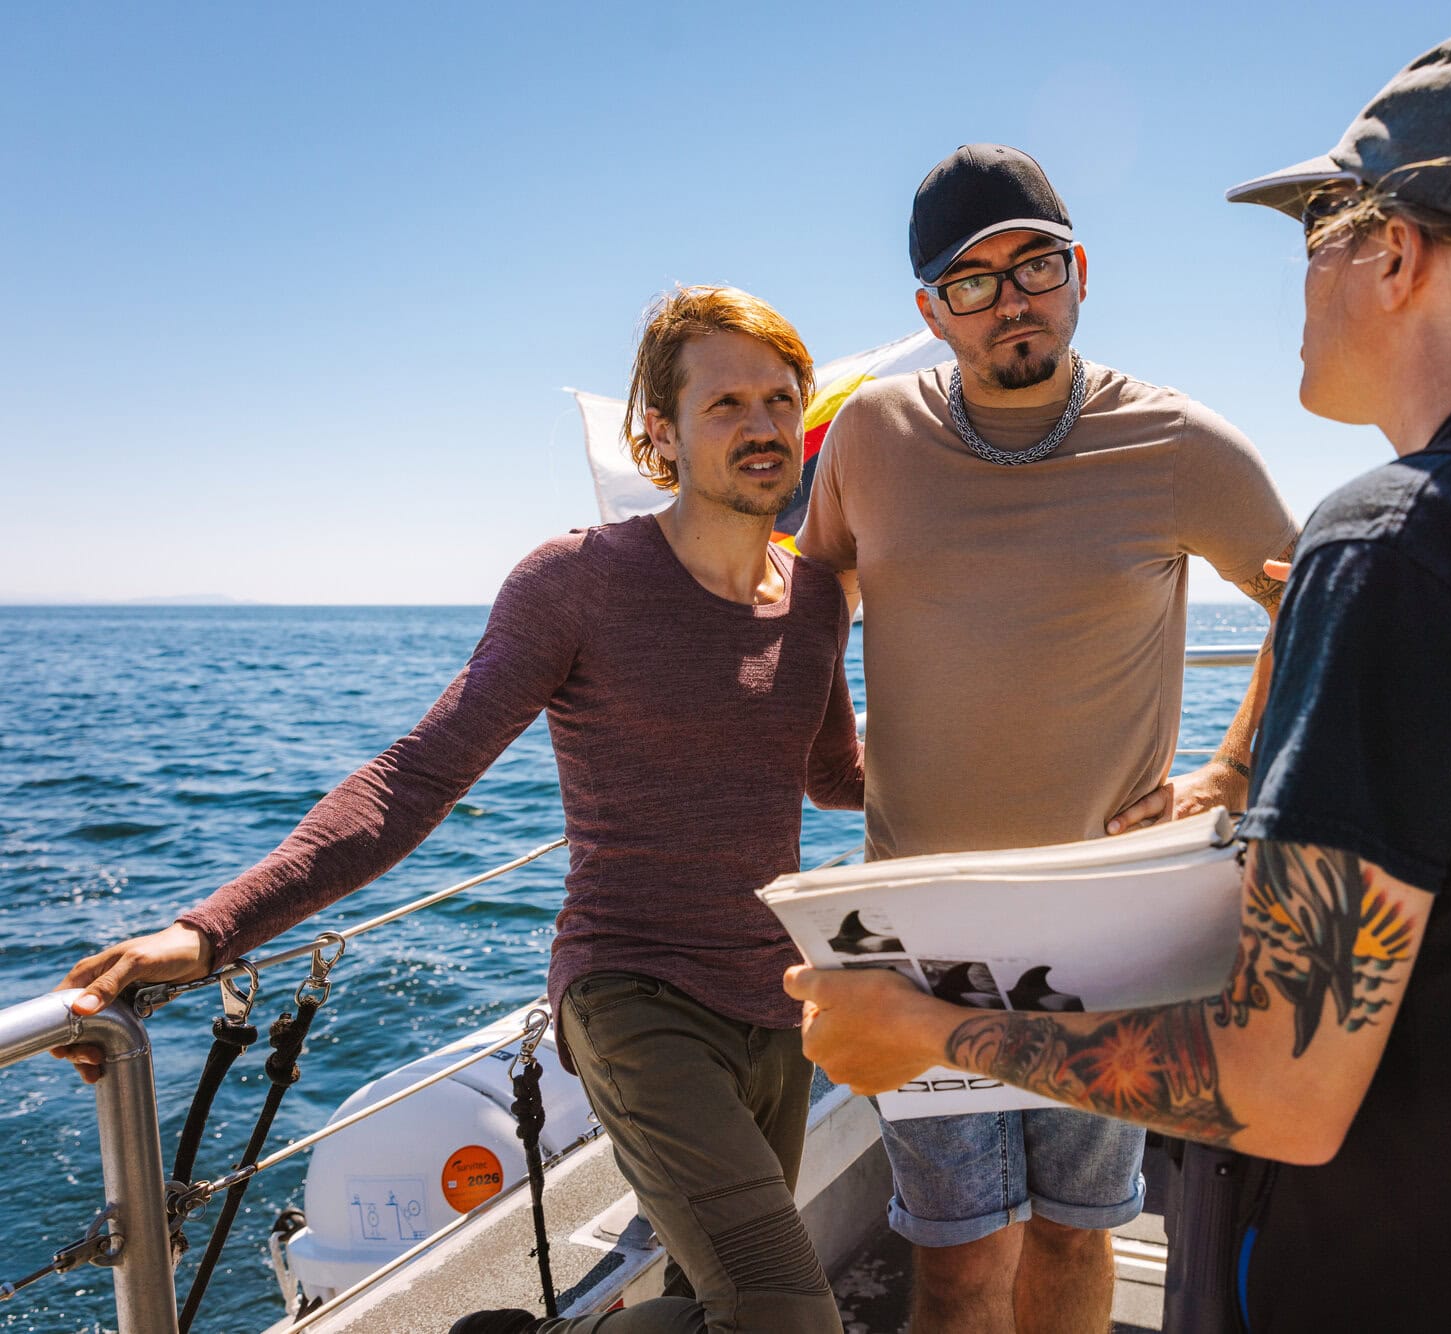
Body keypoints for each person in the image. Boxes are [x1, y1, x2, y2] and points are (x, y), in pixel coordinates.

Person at [791, 30, 1451, 1332]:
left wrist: (927, 1032)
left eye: (1315, 233)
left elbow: (1282, 1084)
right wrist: (1234, 774)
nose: (1301, 277)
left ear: (1392, 253)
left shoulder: (1399, 548)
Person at [54, 286, 863, 1334]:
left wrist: (1050, 777)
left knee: (718, 1294)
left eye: (777, 398)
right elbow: (414, 775)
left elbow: (838, 774)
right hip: (632, 996)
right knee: (786, 1306)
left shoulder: (812, 599)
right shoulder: (577, 580)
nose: (760, 425)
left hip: (775, 1001)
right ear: (657, 431)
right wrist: (210, 929)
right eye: (725, 403)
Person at [793, 143, 1297, 1332]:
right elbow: (811, 606)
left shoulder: (1176, 439)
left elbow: (1319, 600)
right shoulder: (866, 435)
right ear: (931, 310)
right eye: (971, 282)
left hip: (1103, 933)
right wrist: (827, 757)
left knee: (1077, 1236)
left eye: (1034, 266)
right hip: (918, 929)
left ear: (1080, 274)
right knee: (957, 1259)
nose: (1009, 299)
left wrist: (1225, 773)